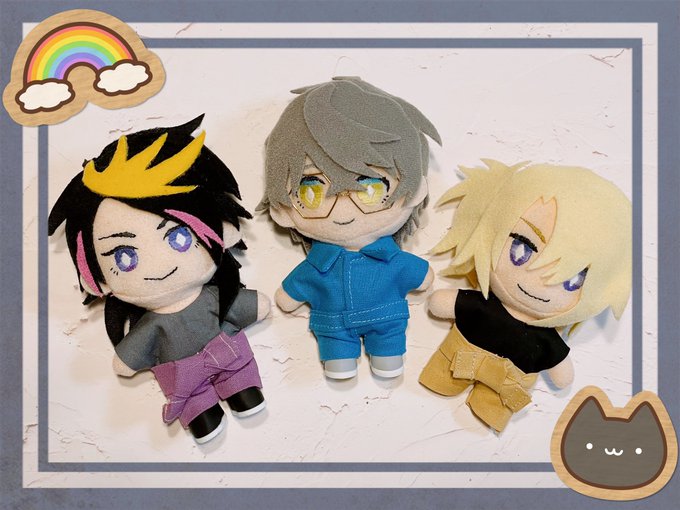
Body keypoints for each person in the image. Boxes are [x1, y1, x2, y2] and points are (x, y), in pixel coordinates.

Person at [49, 115, 269, 443]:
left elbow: (252, 306)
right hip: (185, 380)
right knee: (198, 409)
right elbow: (129, 358)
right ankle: (201, 414)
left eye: (178, 237)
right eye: (124, 256)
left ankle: (243, 391)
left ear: (221, 231)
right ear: (99, 280)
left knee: (242, 384)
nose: (159, 263)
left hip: (231, 359)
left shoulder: (214, 297)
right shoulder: (152, 325)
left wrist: (258, 305)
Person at [420, 159, 632, 432]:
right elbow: (442, 303)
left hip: (505, 386)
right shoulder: (483, 305)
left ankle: (490, 408)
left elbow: (562, 374)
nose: (539, 281)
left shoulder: (545, 338)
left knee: (488, 413)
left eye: (571, 280)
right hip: (456, 361)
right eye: (522, 248)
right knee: (440, 380)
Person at [259, 77, 441, 380]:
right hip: (333, 325)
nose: (343, 209)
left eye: (370, 187)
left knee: (389, 357)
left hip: (387, 321)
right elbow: (289, 296)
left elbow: (421, 277)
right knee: (337, 361)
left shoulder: (390, 258)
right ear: (283, 211)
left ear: (415, 191)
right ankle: (339, 362)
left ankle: (387, 358)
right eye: (311, 190)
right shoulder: (318, 264)